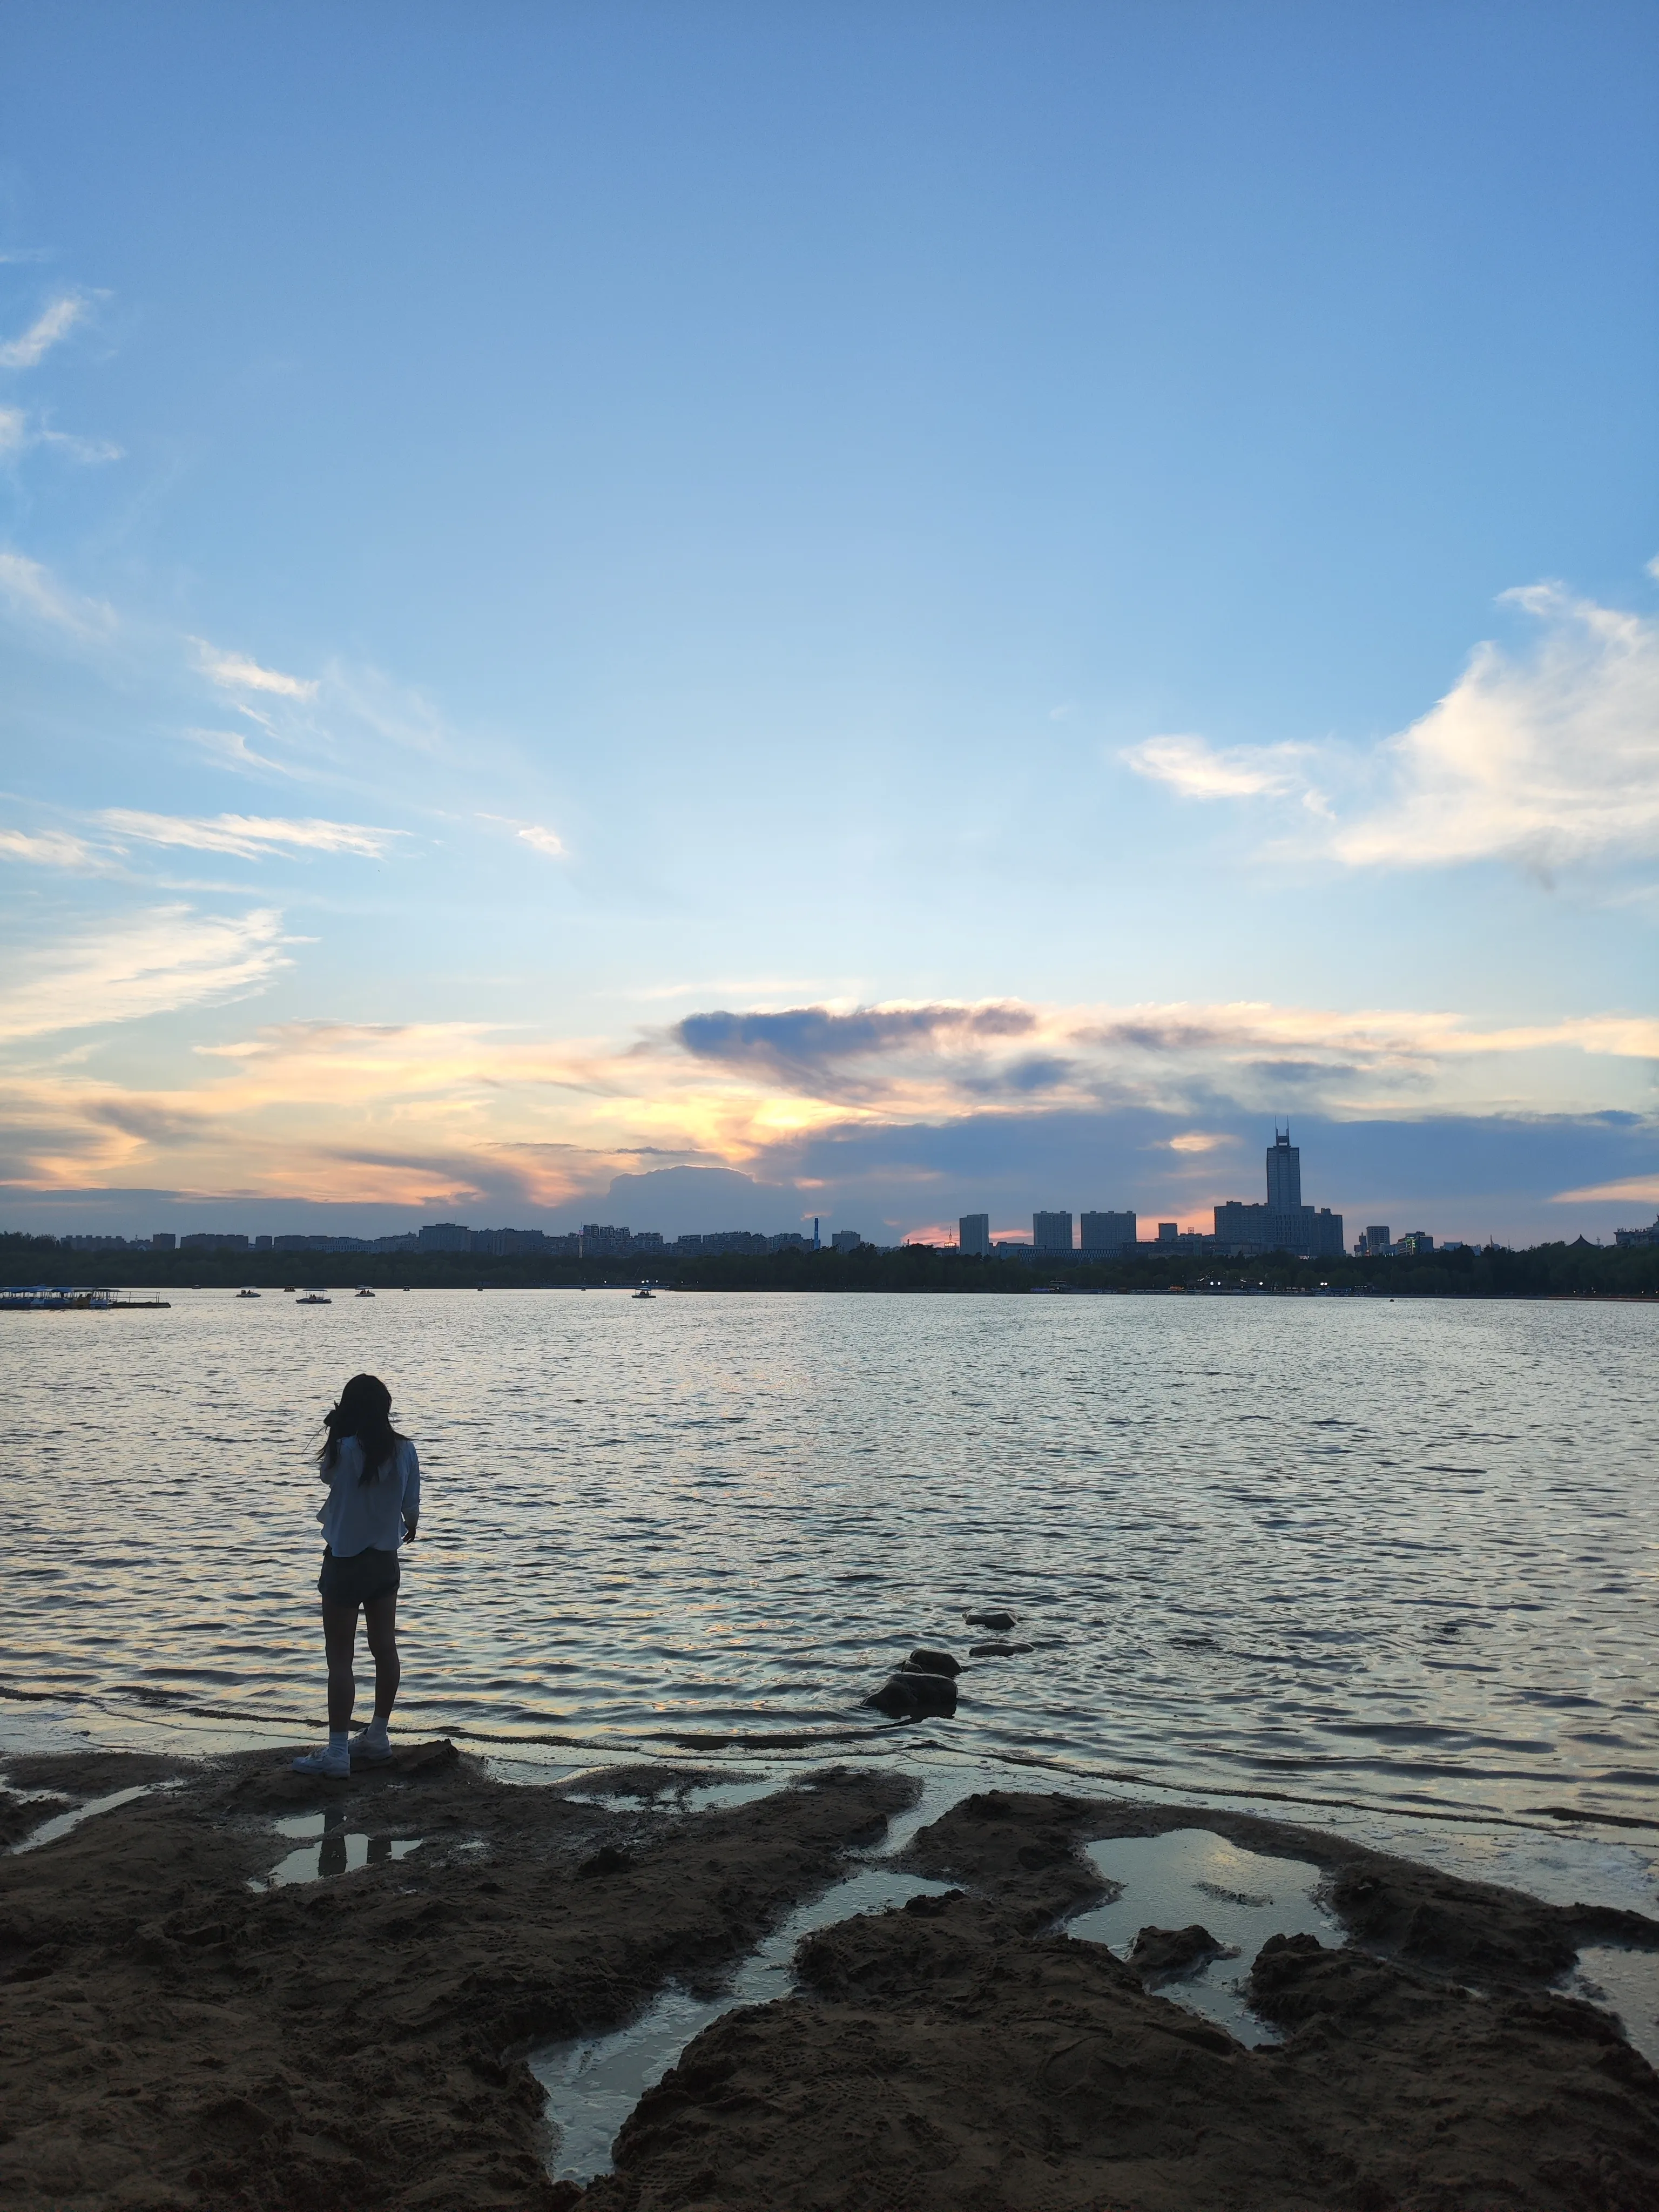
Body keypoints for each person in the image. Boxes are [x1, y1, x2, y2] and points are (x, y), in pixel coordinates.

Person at [291, 1372, 420, 1777]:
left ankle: (337, 1752)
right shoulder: (405, 1450)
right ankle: (378, 1736)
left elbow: (327, 1477)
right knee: (385, 1649)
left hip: (344, 1561)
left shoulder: (343, 1450)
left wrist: (337, 1432)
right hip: (385, 1561)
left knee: (340, 1660)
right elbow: (411, 1511)